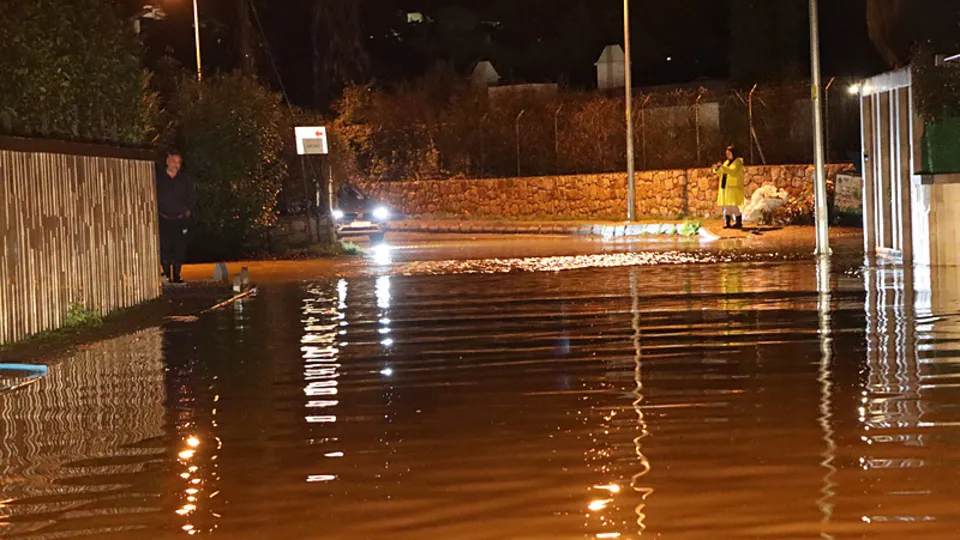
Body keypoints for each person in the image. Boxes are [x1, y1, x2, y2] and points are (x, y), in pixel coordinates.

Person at [156, 150, 194, 283]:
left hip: (179, 219)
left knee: (179, 247)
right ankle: (166, 272)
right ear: (167, 161)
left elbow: (190, 196)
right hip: (164, 217)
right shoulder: (159, 178)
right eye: (173, 161)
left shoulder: (183, 180)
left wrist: (187, 211)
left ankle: (177, 275)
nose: (176, 165)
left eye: (178, 162)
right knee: (165, 246)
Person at [714, 145, 746, 229]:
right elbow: (721, 173)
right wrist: (717, 169)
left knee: (733, 205)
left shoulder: (738, 162)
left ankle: (738, 222)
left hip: (733, 187)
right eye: (726, 153)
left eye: (729, 153)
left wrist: (723, 167)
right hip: (725, 187)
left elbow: (733, 172)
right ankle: (727, 223)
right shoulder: (726, 162)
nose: (727, 155)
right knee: (726, 205)